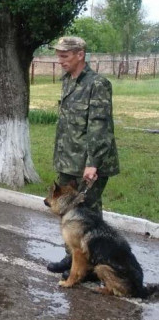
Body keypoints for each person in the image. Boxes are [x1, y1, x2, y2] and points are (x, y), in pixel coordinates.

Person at [47, 36, 119, 274]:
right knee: (68, 214)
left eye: (65, 56)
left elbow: (100, 126)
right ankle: (72, 257)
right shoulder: (68, 81)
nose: (60, 60)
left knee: (87, 216)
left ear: (80, 54)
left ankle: (89, 265)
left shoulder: (97, 84)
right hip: (69, 160)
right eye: (58, 56)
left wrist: (93, 163)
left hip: (89, 163)